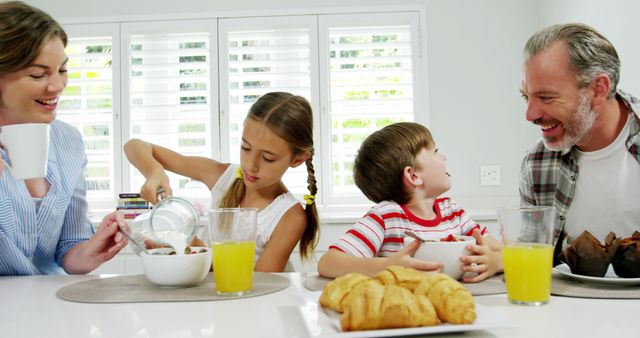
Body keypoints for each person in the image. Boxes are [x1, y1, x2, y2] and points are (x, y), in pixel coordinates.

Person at [124, 91, 319, 272]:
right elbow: (134, 146)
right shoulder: (224, 177)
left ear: (297, 159)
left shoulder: (289, 217)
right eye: (245, 147)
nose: (251, 165)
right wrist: (154, 171)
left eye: (267, 158)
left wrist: (197, 252)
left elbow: (262, 286)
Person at [0, 1, 128, 275]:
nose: (57, 86)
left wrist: (91, 251)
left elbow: (68, 248)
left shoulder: (68, 140)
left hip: (50, 307)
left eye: (62, 70)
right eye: (38, 74)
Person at [317, 122, 503, 282]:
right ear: (413, 175)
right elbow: (328, 262)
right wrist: (386, 266)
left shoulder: (453, 212)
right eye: (435, 151)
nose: (443, 157)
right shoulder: (387, 216)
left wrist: (496, 262)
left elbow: (503, 251)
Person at [519, 23, 640, 263]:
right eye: (526, 96)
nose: (530, 115)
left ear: (598, 89)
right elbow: (534, 258)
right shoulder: (537, 162)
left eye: (546, 97)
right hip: (571, 300)